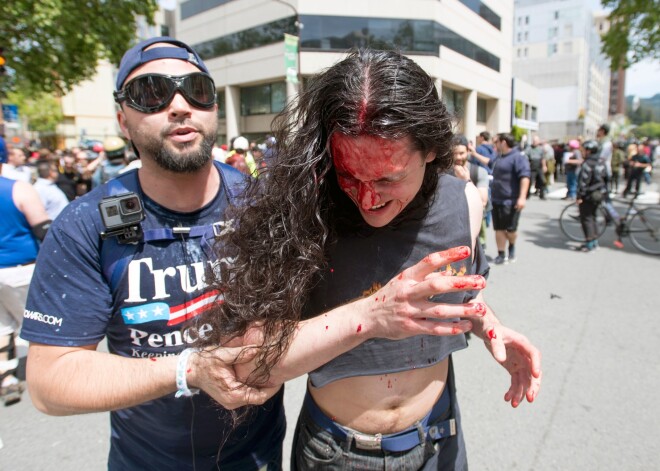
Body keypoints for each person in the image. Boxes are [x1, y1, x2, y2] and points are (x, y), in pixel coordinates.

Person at [19, 38, 489, 471]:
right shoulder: (86, 225)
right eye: (151, 93)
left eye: (196, 90)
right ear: (122, 118)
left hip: (257, 457)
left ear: (214, 107)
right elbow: (50, 382)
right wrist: (187, 369)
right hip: (148, 460)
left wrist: (489, 322)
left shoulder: (266, 202)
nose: (178, 106)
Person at [200, 49, 541, 471]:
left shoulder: (463, 202)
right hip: (337, 453)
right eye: (349, 176)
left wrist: (493, 329)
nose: (367, 199)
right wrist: (372, 316)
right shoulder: (300, 215)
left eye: (387, 178)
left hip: (439, 439)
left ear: (432, 149)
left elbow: (455, 291)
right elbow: (247, 362)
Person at [0, 156, 51, 406]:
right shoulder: (17, 188)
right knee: (37, 323)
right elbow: (43, 229)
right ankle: (47, 377)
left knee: (2, 326)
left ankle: (7, 377)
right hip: (20, 268)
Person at [491, 132, 531, 264]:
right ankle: (501, 254)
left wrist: (522, 197)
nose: (495, 145)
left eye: (496, 142)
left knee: (511, 230)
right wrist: (473, 154)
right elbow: (489, 162)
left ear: (503, 142)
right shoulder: (499, 157)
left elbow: (525, 177)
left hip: (511, 200)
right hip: (497, 199)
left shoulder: (518, 157)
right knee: (499, 228)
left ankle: (512, 247)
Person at [453, 134, 489, 246]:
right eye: (454, 153)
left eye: (461, 153)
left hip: (473, 225)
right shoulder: (442, 172)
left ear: (468, 151)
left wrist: (467, 180)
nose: (458, 157)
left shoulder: (479, 172)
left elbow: (483, 201)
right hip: (451, 225)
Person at [575, 140, 606, 252]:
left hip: (588, 195)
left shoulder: (587, 164)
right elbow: (606, 178)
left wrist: (579, 196)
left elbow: (583, 182)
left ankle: (589, 242)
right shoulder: (601, 162)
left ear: (589, 151)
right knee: (593, 217)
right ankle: (594, 241)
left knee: (586, 219)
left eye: (584, 150)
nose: (582, 152)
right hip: (598, 194)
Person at [525, 135, 547, 200]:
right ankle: (527, 195)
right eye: (533, 141)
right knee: (530, 181)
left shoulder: (541, 149)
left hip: (539, 166)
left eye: (536, 141)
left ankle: (542, 195)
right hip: (532, 167)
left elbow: (543, 158)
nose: (534, 142)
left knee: (542, 181)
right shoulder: (529, 148)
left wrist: (544, 166)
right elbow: (526, 157)